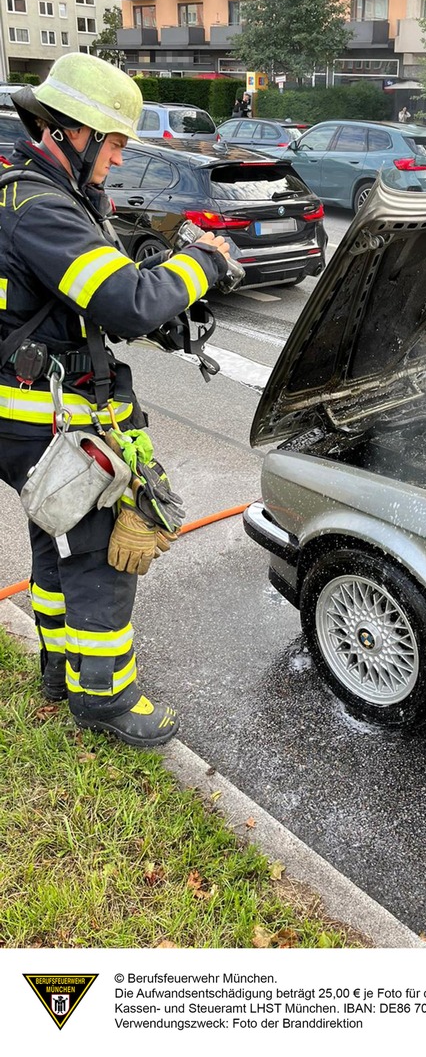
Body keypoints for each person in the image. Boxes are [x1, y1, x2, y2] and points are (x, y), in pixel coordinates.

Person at [0, 53, 232, 747]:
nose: (120, 157)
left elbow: (93, 296)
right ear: (74, 131)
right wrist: (203, 264)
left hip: (31, 415)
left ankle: (59, 670)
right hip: (46, 421)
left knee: (57, 541)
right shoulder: (40, 206)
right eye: (115, 141)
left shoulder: (39, 195)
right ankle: (105, 699)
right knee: (100, 553)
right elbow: (125, 301)